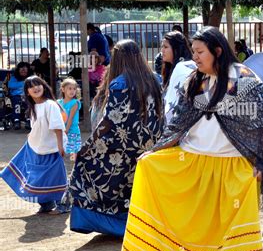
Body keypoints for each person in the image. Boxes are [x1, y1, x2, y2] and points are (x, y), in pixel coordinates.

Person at [121, 27, 263, 251]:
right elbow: (180, 121)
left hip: (230, 166)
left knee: (223, 229)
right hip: (192, 162)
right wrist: (158, 149)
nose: (195, 57)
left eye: (200, 52)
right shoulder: (196, 80)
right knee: (191, 221)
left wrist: (261, 162)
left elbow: (262, 124)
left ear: (218, 51)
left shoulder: (244, 80)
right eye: (193, 51)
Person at [67, 39, 163, 237]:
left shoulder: (119, 83)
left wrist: (89, 144)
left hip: (122, 144)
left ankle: (104, 221)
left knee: (90, 168)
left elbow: (112, 119)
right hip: (149, 143)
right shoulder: (155, 79)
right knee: (133, 184)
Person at [0, 76, 68, 214]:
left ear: (44, 86)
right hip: (34, 146)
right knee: (35, 174)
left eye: (38, 84)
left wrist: (60, 146)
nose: (35, 88)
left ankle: (64, 205)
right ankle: (46, 203)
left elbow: (57, 127)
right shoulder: (33, 107)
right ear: (27, 92)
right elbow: (36, 126)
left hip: (52, 147)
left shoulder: (50, 104)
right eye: (31, 86)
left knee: (55, 175)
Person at [160, 31, 196, 123]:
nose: (162, 50)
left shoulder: (183, 68)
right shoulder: (173, 68)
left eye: (166, 47)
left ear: (176, 49)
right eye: (162, 46)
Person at [58, 78, 82, 162]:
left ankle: (73, 168)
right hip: (61, 129)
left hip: (72, 130)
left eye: (74, 89)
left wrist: (66, 130)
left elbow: (71, 118)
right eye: (70, 88)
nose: (72, 91)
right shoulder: (58, 102)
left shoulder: (75, 103)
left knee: (73, 151)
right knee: (62, 149)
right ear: (63, 89)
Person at [7, 62, 33, 130]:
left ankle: (28, 120)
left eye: (25, 68)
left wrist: (18, 85)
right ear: (18, 70)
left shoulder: (32, 77)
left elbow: (34, 85)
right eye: (21, 68)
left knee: (29, 102)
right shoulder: (14, 77)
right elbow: (11, 85)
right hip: (16, 96)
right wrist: (24, 83)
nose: (23, 70)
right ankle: (16, 120)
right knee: (16, 101)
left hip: (28, 95)